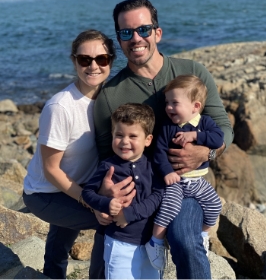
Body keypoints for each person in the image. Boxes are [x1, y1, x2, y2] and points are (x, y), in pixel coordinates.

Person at [93, 0, 234, 279]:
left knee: (184, 238)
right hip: (140, 190)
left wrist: (207, 153)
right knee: (102, 263)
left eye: (143, 29)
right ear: (118, 40)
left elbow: (224, 128)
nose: (136, 38)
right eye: (126, 33)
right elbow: (103, 155)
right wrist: (102, 195)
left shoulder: (193, 72)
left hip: (186, 185)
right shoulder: (110, 94)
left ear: (157, 32)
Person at [22, 29, 136, 279]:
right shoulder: (60, 107)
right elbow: (51, 171)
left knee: (60, 243)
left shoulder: (107, 99)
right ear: (74, 61)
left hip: (80, 184)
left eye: (101, 59)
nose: (93, 66)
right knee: (108, 219)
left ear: (111, 61)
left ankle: (52, 275)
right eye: (85, 59)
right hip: (45, 193)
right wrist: (92, 202)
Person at [145, 74, 224, 270]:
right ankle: (155, 241)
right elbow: (159, 154)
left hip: (198, 182)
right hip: (176, 182)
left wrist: (196, 135)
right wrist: (167, 173)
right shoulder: (167, 128)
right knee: (169, 209)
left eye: (174, 103)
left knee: (215, 205)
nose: (169, 108)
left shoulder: (204, 124)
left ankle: (204, 235)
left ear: (195, 107)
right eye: (167, 103)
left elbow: (217, 140)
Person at [82, 103, 164, 279]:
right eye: (119, 135)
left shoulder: (152, 166)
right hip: (119, 242)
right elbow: (87, 193)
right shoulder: (107, 166)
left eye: (133, 136)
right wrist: (106, 203)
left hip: (151, 243)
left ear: (148, 140)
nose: (125, 141)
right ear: (112, 135)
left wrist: (130, 213)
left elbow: (159, 195)